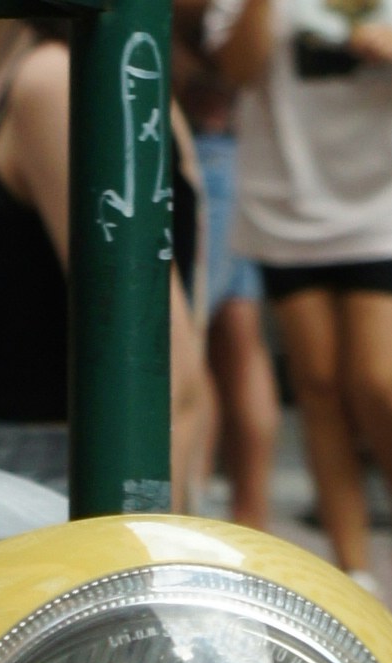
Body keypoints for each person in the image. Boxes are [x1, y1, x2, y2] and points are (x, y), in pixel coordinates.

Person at [207, 0, 392, 636]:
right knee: (320, 384)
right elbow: (237, 69)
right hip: (287, 195)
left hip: (389, 196)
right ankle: (353, 576)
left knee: (383, 383)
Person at [0, 15, 216, 502]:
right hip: (20, 481)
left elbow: (165, 383)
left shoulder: (56, 77)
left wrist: (142, 557)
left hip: (56, 493)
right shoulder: (28, 67)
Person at [173, 0, 280, 531]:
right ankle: (244, 519)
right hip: (239, 149)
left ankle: (201, 512)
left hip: (208, 141)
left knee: (192, 337)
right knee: (237, 339)